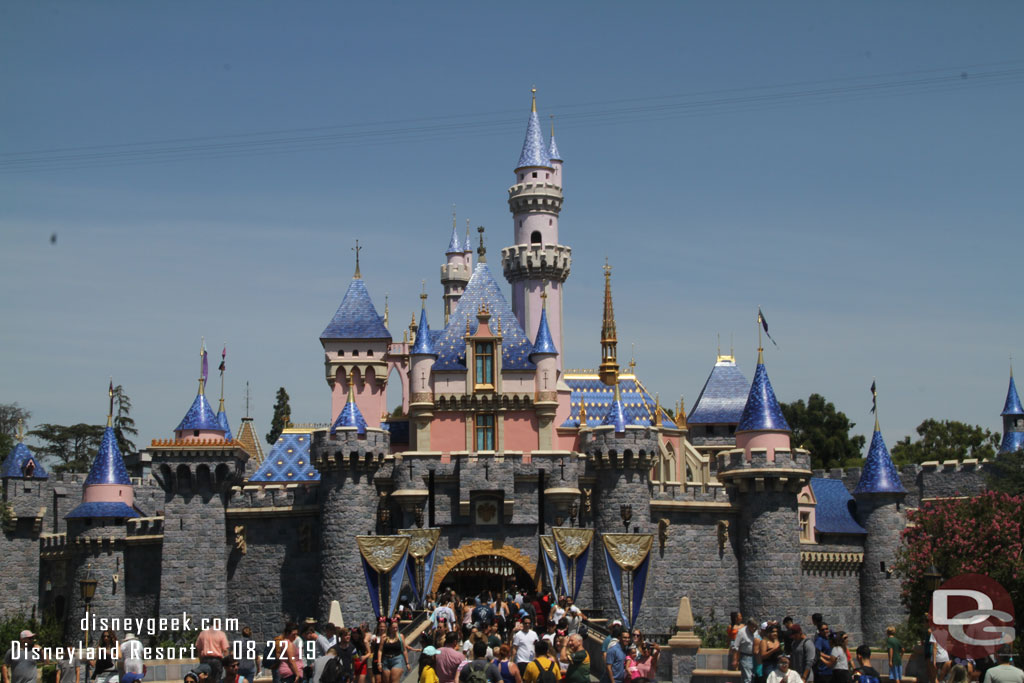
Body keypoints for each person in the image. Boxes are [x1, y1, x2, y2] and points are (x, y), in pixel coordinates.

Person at [732, 618, 760, 683]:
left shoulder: (756, 632)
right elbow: (736, 647)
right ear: (748, 625)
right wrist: (735, 660)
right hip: (746, 657)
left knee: (754, 677)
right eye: (752, 627)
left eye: (755, 627)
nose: (754, 629)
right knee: (748, 678)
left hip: (755, 657)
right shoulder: (741, 632)